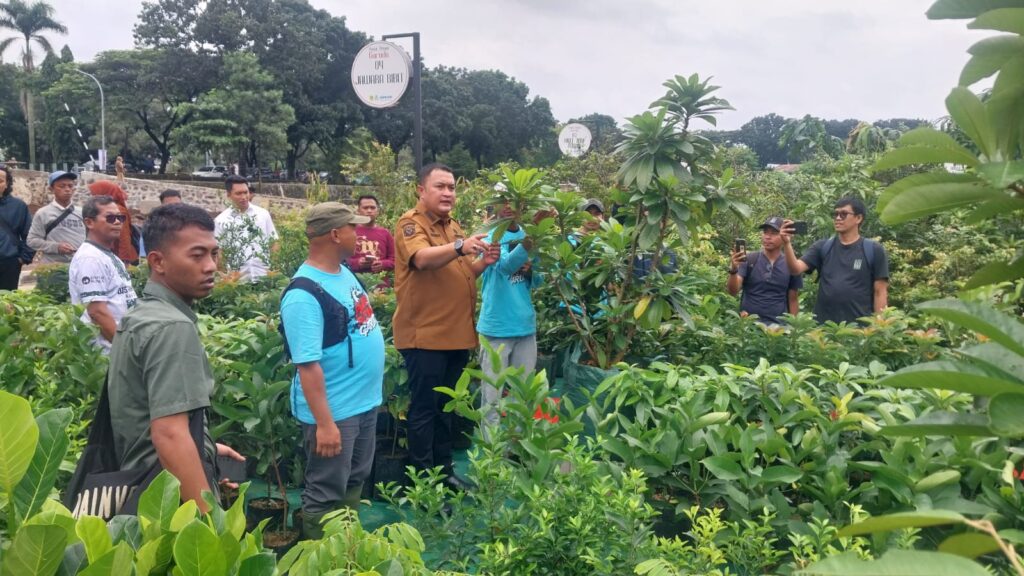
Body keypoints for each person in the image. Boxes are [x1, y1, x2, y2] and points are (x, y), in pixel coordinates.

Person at [107, 203, 243, 512]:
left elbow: (144, 411)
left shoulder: (143, 314)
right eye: (197, 255)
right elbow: (169, 435)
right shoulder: (172, 327)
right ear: (158, 261)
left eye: (214, 253)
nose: (210, 266)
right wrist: (210, 521)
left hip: (147, 482)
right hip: (164, 501)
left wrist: (206, 449)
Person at [279, 202, 385, 539]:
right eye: (354, 228)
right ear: (336, 234)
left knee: (355, 478)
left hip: (362, 402)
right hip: (336, 411)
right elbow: (307, 365)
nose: (360, 234)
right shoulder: (303, 294)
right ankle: (319, 558)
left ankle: (346, 548)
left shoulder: (342, 272)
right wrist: (324, 424)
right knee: (326, 490)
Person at [393, 163, 499, 487]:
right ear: (421, 190)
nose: (448, 193)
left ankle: (444, 472)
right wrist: (459, 247)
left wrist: (483, 262)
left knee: (446, 409)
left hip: (456, 336)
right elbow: (423, 259)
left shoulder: (453, 226)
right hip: (425, 337)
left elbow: (463, 272)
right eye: (440, 186)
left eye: (452, 187)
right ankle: (423, 482)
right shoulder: (410, 224)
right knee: (425, 410)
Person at [476, 202, 541, 440]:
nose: (507, 207)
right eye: (502, 202)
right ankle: (490, 459)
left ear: (522, 205)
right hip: (497, 329)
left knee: (523, 396)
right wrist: (530, 239)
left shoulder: (529, 234)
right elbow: (504, 266)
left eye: (512, 202)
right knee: (492, 396)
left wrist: (531, 270)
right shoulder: (491, 236)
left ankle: (519, 451)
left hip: (524, 327)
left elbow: (540, 279)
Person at [782, 197, 889, 324]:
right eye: (836, 214)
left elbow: (880, 292)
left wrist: (880, 328)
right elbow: (795, 269)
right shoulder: (822, 247)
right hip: (824, 329)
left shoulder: (873, 250)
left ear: (858, 218)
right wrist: (787, 244)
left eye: (843, 214)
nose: (838, 218)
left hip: (860, 331)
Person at [68, 195, 139, 351]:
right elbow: (97, 311)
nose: (117, 222)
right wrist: (126, 349)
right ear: (89, 222)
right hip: (105, 352)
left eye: (120, 217)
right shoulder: (90, 258)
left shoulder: (106, 255)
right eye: (110, 218)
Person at [726, 216, 803, 325]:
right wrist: (733, 269)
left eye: (774, 233)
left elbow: (793, 299)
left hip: (779, 330)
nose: (767, 237)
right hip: (750, 327)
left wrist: (794, 329)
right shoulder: (749, 259)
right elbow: (732, 291)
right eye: (765, 232)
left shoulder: (792, 264)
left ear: (785, 236)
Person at [214, 175, 277, 281]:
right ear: (229, 195)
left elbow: (274, 242)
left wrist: (274, 268)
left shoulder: (262, 214)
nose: (244, 197)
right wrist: (225, 279)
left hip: (265, 277)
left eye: (245, 192)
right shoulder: (221, 221)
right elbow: (220, 253)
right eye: (238, 193)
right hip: (238, 282)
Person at [27, 170, 85, 263]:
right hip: (54, 267)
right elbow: (32, 241)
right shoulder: (43, 213)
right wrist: (56, 247)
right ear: (51, 189)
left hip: (80, 264)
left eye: (70, 186)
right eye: (62, 186)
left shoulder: (82, 212)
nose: (67, 189)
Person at [346, 195, 395, 283]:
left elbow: (395, 259)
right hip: (355, 284)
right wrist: (358, 263)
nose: (369, 211)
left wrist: (382, 264)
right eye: (365, 208)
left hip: (380, 288)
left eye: (372, 208)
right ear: (358, 210)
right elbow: (340, 260)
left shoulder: (385, 233)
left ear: (377, 211)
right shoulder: (349, 231)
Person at [88, 180, 139, 265]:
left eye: (95, 194)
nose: (92, 197)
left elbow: (124, 237)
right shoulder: (107, 209)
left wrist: (124, 262)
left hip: (120, 257)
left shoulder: (117, 210)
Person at [0, 165, 34, 290]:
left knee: (7, 304)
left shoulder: (18, 206)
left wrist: (22, 259)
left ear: (7, 183)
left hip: (9, 263)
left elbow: (30, 234)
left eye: (0, 181)